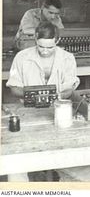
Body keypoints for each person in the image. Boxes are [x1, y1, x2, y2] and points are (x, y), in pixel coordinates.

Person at [6, 22, 80, 182]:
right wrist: (34, 93)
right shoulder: (22, 57)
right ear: (35, 39)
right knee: (17, 160)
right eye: (41, 46)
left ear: (57, 41)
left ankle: (55, 176)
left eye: (50, 47)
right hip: (28, 113)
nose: (45, 51)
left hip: (58, 112)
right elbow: (13, 87)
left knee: (68, 155)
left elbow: (70, 89)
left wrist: (57, 95)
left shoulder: (68, 58)